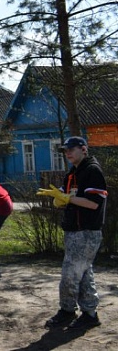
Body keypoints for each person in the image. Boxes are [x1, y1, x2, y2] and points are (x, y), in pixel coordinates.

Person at [38, 136, 107, 330]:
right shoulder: (73, 172)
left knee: (70, 273)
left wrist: (67, 198)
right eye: (65, 150)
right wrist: (58, 198)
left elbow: (94, 203)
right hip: (74, 231)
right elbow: (65, 195)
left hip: (86, 231)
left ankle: (67, 311)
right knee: (84, 273)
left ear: (83, 149)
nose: (67, 153)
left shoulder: (92, 170)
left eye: (71, 149)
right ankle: (90, 313)